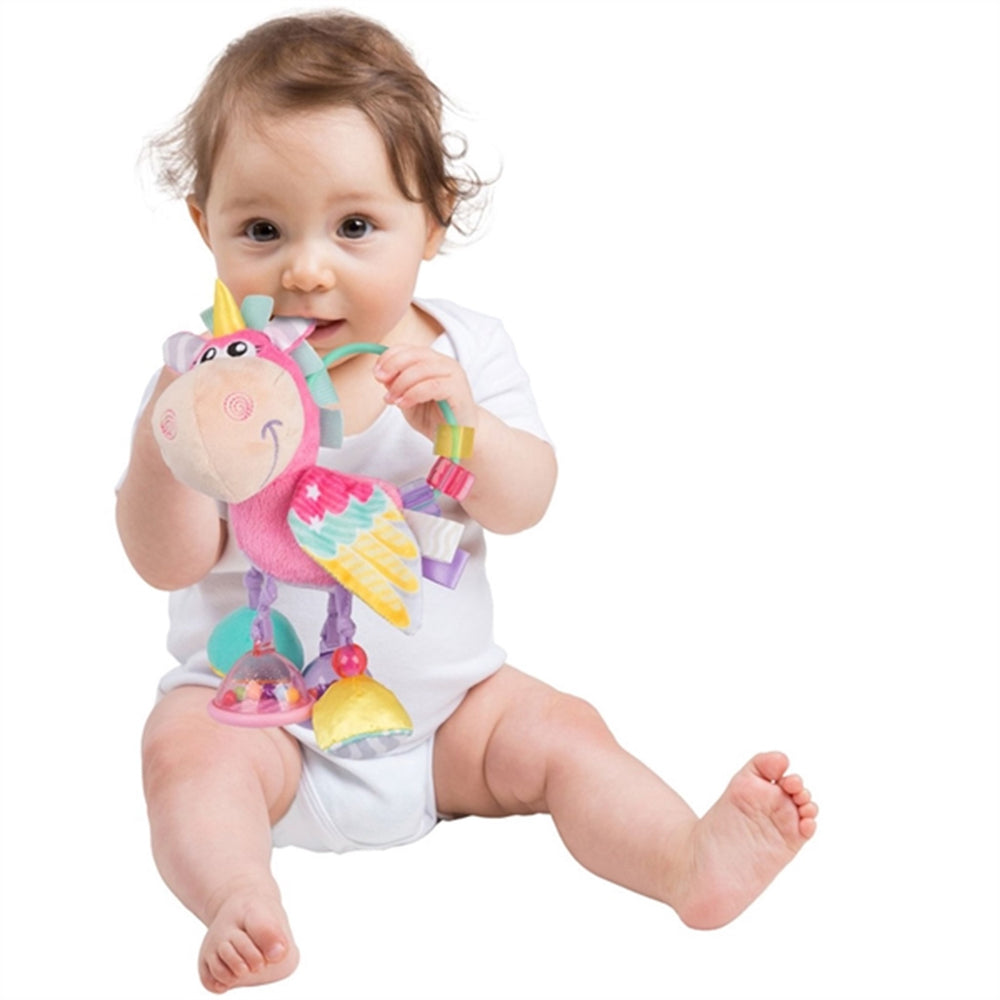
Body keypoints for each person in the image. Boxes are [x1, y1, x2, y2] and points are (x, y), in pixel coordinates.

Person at [116, 10, 818, 994]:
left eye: (355, 227)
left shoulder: (464, 351)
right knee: (181, 756)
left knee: (563, 729)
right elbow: (166, 559)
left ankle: (684, 860)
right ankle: (240, 896)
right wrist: (166, 447)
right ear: (206, 227)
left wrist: (469, 427)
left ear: (433, 220)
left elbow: (526, 500)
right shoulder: (210, 385)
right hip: (261, 721)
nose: (306, 267)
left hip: (449, 722)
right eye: (261, 230)